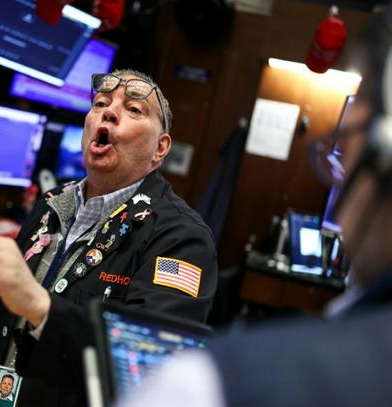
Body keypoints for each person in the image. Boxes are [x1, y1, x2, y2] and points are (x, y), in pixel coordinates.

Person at [118, 9, 392, 407]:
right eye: (100, 103)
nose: (337, 175)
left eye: (346, 148)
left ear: (383, 159)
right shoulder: (55, 204)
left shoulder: (215, 384)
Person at [0, 69, 218, 406]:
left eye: (134, 109)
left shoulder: (182, 239)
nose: (108, 112)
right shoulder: (53, 202)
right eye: (100, 103)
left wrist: (39, 306)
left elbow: (146, 368)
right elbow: (4, 304)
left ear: (160, 148)